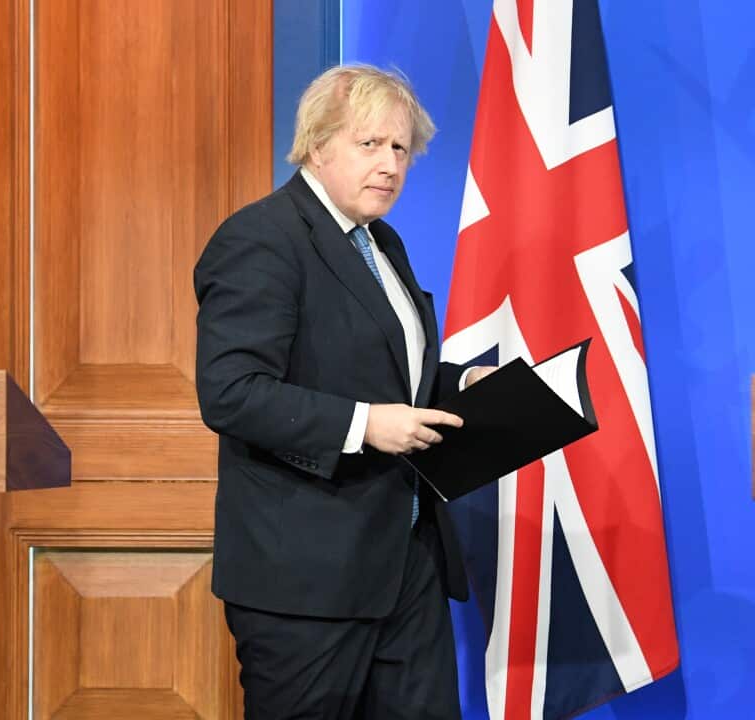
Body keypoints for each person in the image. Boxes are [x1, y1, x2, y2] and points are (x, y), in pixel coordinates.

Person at [194, 64, 493, 719]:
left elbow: (377, 372)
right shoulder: (261, 240)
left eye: (400, 149)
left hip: (407, 564)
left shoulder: (380, 242)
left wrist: (463, 382)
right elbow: (232, 392)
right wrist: (364, 425)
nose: (389, 164)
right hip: (306, 579)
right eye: (370, 144)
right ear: (318, 144)